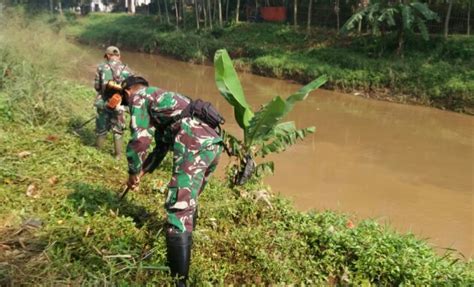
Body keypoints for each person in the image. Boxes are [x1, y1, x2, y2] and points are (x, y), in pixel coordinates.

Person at [121, 76, 224, 286]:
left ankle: (179, 282)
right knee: (189, 200)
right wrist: (141, 172)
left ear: (128, 91)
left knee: (179, 207)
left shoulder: (139, 97)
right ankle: (185, 238)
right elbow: (160, 148)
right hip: (213, 144)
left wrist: (132, 170)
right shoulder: (166, 102)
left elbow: (140, 139)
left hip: (193, 141)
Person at [94, 46, 133, 159]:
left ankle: (97, 152)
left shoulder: (101, 67)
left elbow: (97, 87)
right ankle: (118, 155)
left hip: (103, 103)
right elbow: (131, 90)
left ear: (107, 56)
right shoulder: (128, 70)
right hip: (119, 105)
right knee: (118, 131)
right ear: (119, 56)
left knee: (101, 129)